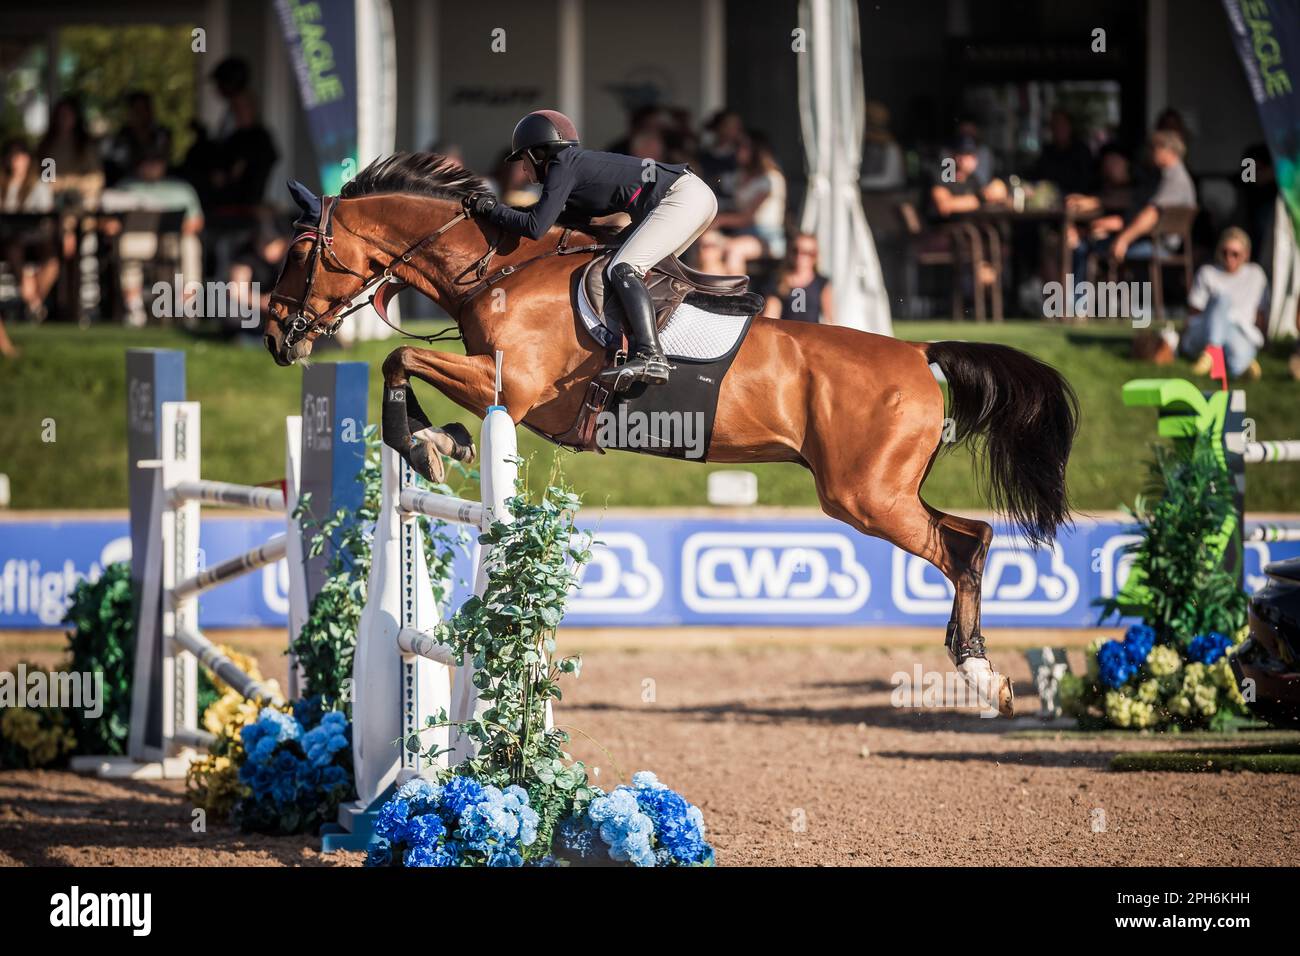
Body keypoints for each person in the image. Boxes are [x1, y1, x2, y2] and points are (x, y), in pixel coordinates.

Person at [465, 109, 718, 389]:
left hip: (682, 197)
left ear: (539, 154)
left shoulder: (562, 164)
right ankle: (649, 348)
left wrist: (490, 209)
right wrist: (503, 213)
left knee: (623, 268)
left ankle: (650, 355)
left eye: (524, 160)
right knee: (631, 266)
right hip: (692, 196)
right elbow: (556, 223)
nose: (524, 170)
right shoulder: (572, 168)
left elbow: (535, 228)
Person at [1070, 130, 1196, 293]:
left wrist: (1124, 239)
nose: (1150, 153)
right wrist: (1094, 201)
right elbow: (1131, 198)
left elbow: (1151, 214)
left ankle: (1077, 305)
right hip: (1153, 241)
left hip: (1158, 244)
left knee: (1087, 247)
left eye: (1154, 149)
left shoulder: (1175, 179)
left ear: (1168, 151)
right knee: (1094, 239)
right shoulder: (1162, 176)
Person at [100, 149, 204, 325]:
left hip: (172, 240)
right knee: (127, 243)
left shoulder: (181, 189)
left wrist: (177, 224)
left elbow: (197, 222)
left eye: (156, 162)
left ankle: (188, 306)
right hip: (141, 238)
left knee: (190, 244)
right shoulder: (125, 187)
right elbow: (107, 221)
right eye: (147, 162)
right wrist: (112, 225)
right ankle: (134, 307)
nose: (152, 167)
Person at [1180, 227, 1268, 381]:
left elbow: (1261, 315)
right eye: (1225, 252)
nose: (1229, 257)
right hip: (1206, 329)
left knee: (1236, 344)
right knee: (1221, 300)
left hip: (1239, 331)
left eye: (1235, 254)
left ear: (1246, 254)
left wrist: (1265, 340)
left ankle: (1223, 359)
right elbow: (1194, 313)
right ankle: (1221, 353)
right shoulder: (1207, 272)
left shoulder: (1256, 275)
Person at [0, 138, 58, 329]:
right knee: (14, 248)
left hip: (35, 238)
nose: (15, 160)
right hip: (9, 240)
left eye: (20, 156)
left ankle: (32, 302)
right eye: (12, 155)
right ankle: (34, 304)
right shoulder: (3, 184)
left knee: (52, 260)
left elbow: (47, 213)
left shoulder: (40, 184)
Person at [713, 132, 786, 273]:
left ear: (756, 151)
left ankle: (736, 294)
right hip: (741, 232)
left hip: (767, 237)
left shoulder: (771, 179)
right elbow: (717, 183)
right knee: (708, 244)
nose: (738, 151)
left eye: (743, 147)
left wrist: (719, 220)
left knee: (735, 250)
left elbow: (748, 217)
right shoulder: (740, 175)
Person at [103, 91, 172, 187]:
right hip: (126, 186)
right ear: (130, 113)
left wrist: (155, 168)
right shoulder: (120, 138)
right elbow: (116, 164)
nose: (141, 115)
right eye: (137, 110)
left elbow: (164, 160)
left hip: (159, 185)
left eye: (145, 109)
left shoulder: (161, 135)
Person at [762, 233, 833, 324]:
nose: (799, 256)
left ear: (815, 256)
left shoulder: (821, 283)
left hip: (812, 336)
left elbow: (829, 320)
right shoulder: (778, 281)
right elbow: (770, 319)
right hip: (785, 335)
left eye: (807, 253)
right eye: (795, 251)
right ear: (789, 252)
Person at [1032, 109, 1095, 196]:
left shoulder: (1081, 151)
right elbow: (1037, 177)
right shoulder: (1047, 152)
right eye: (1055, 125)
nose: (1059, 128)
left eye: (1062, 124)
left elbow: (1087, 182)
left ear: (1070, 126)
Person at [860, 100, 905, 192]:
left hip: (886, 197)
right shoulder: (866, 147)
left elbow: (890, 180)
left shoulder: (890, 148)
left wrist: (857, 182)